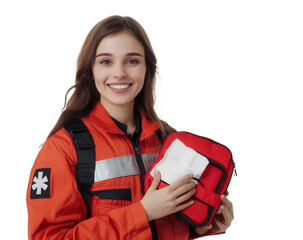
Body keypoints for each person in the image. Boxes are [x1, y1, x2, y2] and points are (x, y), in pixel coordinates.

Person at [26, 15, 234, 239]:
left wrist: (201, 225)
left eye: (132, 61)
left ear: (147, 69)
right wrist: (142, 213)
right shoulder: (63, 148)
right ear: (90, 70)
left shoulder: (168, 140)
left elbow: (167, 225)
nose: (119, 73)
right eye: (106, 61)